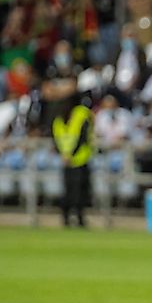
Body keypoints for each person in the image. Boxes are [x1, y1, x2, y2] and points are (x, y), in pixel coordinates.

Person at [52, 95, 94, 228]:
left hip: (79, 159)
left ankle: (78, 218)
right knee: (70, 191)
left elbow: (83, 137)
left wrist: (67, 154)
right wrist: (65, 155)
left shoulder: (80, 115)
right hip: (70, 160)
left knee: (79, 191)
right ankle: (67, 218)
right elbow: (57, 139)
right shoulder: (59, 121)